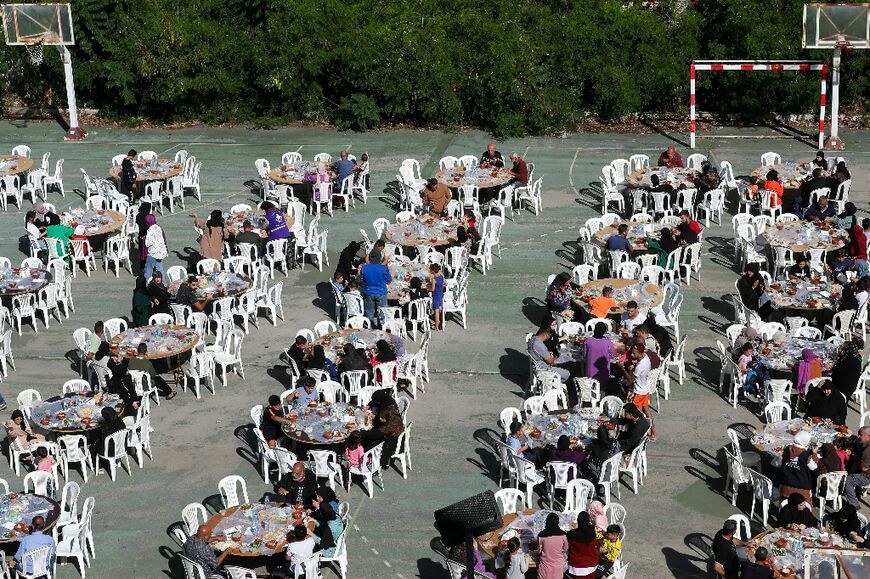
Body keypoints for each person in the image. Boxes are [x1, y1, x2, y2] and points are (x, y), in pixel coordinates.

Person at [358, 389, 403, 467]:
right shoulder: (388, 401)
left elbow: (373, 435)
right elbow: (375, 401)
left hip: (391, 439)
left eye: (382, 418)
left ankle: (369, 461)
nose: (380, 419)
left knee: (368, 440)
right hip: (392, 429)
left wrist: (359, 433)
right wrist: (368, 406)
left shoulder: (390, 424)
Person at [623, 343, 656, 440]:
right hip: (645, 388)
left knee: (630, 415)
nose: (632, 355)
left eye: (634, 353)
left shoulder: (640, 366)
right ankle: (653, 432)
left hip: (638, 392)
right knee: (647, 410)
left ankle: (638, 431)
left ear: (640, 353)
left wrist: (622, 368)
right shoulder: (646, 358)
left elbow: (630, 380)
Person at [780, 431, 817, 503]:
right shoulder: (806, 455)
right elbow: (813, 467)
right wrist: (814, 455)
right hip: (801, 488)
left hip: (785, 486)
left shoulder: (786, 449)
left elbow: (777, 464)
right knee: (807, 504)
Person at [310, 487, 343, 556]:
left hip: (328, 550)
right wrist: (315, 521)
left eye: (319, 496)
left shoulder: (330, 528)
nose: (317, 498)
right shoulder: (334, 517)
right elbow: (324, 525)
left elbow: (323, 543)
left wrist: (310, 533)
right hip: (329, 537)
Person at [359, 256, 392, 325]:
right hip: (381, 292)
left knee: (369, 312)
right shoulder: (383, 268)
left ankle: (369, 327)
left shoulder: (365, 268)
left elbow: (362, 281)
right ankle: (381, 327)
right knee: (382, 313)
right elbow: (389, 280)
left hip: (369, 292)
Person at [106, 345, 140, 411]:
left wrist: (122, 360)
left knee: (131, 390)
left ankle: (135, 402)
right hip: (119, 384)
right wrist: (119, 362)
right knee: (126, 394)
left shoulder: (122, 361)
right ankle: (133, 404)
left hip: (125, 382)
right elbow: (120, 372)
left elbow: (126, 365)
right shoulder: (111, 363)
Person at [566, 511, 598, 579]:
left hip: (577, 567)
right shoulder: (592, 531)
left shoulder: (572, 534)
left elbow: (567, 545)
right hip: (592, 564)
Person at [537, 512, 569, 579]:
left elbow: (539, 551)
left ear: (547, 521)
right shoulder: (563, 535)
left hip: (545, 568)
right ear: (557, 522)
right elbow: (565, 549)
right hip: (558, 568)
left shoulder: (541, 535)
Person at [844, 427, 870, 508]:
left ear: (868, 436)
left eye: (861, 435)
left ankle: (854, 505)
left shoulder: (867, 450)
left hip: (867, 476)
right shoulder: (866, 444)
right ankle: (856, 493)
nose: (858, 436)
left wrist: (854, 457)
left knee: (848, 480)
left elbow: (864, 468)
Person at [585, 322, 615, 387]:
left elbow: (585, 354)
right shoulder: (607, 342)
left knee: (591, 388)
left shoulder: (588, 341)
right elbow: (612, 355)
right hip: (603, 373)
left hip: (590, 373)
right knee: (602, 389)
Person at [143, 213, 168, 281]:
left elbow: (148, 244)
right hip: (160, 252)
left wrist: (145, 238)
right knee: (159, 268)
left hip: (152, 253)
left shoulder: (150, 230)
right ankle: (163, 283)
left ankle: (148, 284)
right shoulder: (158, 228)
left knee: (148, 270)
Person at [135, 202, 153, 269]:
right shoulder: (150, 217)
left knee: (142, 251)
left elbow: (137, 222)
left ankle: (142, 267)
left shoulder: (138, 216)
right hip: (149, 236)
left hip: (141, 234)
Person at [429, 263, 445, 331]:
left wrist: (427, 289)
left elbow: (432, 289)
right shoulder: (441, 276)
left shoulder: (434, 280)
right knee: (440, 309)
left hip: (436, 296)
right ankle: (440, 323)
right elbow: (445, 283)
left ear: (432, 271)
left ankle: (436, 326)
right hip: (441, 294)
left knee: (436, 311)